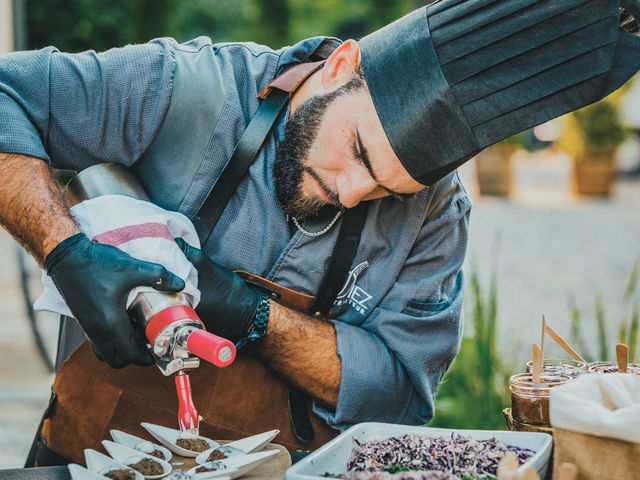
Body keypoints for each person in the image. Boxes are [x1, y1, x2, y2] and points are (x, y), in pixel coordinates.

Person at [0, 0, 638, 465]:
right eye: (359, 151)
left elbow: (398, 392)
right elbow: (9, 96)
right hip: (96, 452)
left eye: (389, 189)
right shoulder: (192, 93)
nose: (354, 193)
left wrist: (255, 317)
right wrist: (66, 253)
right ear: (341, 66)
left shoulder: (436, 219)